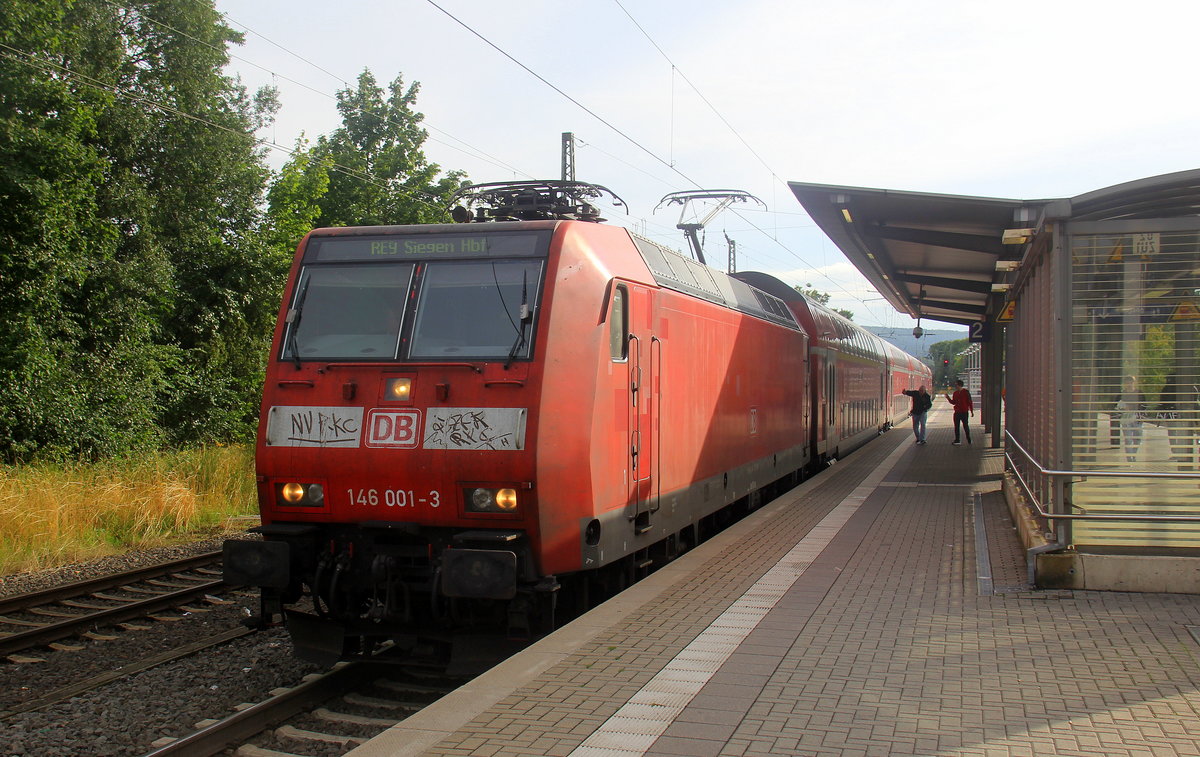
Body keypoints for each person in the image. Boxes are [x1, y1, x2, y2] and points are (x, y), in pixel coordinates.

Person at [1115, 376, 1144, 463]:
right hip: (1126, 418)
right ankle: (1129, 458)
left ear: (1134, 383)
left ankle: (1133, 455)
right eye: (1127, 382)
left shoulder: (1139, 393)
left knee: (1137, 438)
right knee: (1128, 439)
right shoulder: (1121, 394)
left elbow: (1143, 405)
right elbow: (1116, 406)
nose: (1129, 384)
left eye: (1131, 382)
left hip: (1137, 418)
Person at [944, 380, 974, 445]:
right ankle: (957, 440)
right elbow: (953, 402)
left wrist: (971, 411)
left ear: (959, 385)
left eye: (956, 385)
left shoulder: (966, 392)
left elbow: (970, 402)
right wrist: (948, 398)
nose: (955, 386)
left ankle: (969, 439)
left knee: (965, 426)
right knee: (956, 426)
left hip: (964, 412)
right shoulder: (955, 393)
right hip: (957, 412)